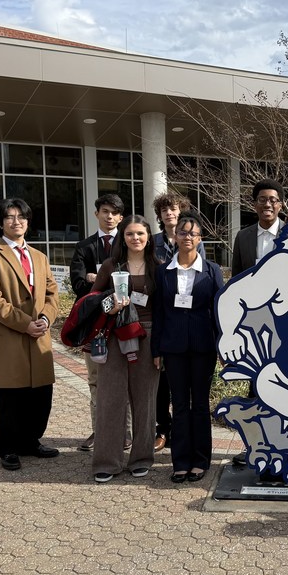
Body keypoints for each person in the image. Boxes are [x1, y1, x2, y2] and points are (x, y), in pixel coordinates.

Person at [0, 198, 61, 471]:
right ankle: (9, 448)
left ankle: (30, 441)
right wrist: (25, 323)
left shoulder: (39, 257)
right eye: (10, 217)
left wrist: (46, 317)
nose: (16, 221)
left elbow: (52, 292)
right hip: (11, 335)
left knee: (40, 394)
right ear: (1, 222)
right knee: (11, 395)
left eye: (21, 216)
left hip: (40, 336)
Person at [152, 213, 225, 484]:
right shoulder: (163, 272)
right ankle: (180, 462)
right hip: (173, 348)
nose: (187, 237)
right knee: (179, 405)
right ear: (175, 236)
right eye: (182, 232)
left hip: (203, 347)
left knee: (200, 405)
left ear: (200, 238)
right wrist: (156, 349)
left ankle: (201, 460)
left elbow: (220, 311)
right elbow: (159, 313)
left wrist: (223, 346)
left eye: (193, 233)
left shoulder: (212, 270)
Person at [89, 216, 162, 483]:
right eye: (130, 234)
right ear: (123, 237)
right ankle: (107, 461)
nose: (135, 239)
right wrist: (112, 304)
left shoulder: (157, 267)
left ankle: (142, 458)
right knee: (110, 399)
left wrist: (160, 348)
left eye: (140, 233)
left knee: (145, 400)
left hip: (148, 335)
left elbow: (163, 310)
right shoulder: (111, 266)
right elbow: (92, 300)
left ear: (148, 237)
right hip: (114, 335)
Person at [229, 179, 286, 467]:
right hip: (253, 323)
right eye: (262, 199)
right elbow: (236, 279)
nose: (267, 204)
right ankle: (255, 446)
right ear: (254, 204)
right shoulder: (244, 237)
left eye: (273, 199)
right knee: (255, 384)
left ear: (280, 204)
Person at [151, 191, 206, 452]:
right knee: (171, 394)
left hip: (198, 339)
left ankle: (198, 452)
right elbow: (158, 305)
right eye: (165, 211)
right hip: (171, 335)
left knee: (197, 401)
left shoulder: (206, 260)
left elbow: (211, 298)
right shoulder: (155, 247)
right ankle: (168, 436)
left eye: (174, 209)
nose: (169, 214)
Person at [70, 193, 125, 451]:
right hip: (95, 328)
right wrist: (99, 281)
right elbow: (79, 285)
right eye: (105, 211)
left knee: (123, 381)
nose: (109, 216)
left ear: (121, 217)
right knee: (95, 381)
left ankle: (125, 434)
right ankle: (99, 431)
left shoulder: (128, 244)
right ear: (97, 214)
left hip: (124, 324)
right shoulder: (84, 247)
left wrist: (98, 277)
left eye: (114, 213)